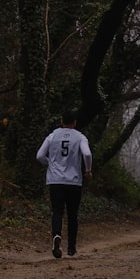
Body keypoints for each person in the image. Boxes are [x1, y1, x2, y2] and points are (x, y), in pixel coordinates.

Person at [36, 111, 93, 258]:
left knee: (57, 211)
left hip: (55, 180)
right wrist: (87, 170)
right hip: (74, 181)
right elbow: (87, 154)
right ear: (74, 122)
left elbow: (40, 155)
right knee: (72, 214)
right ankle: (71, 248)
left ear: (61, 121)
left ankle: (56, 235)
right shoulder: (80, 137)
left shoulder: (52, 136)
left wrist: (51, 164)